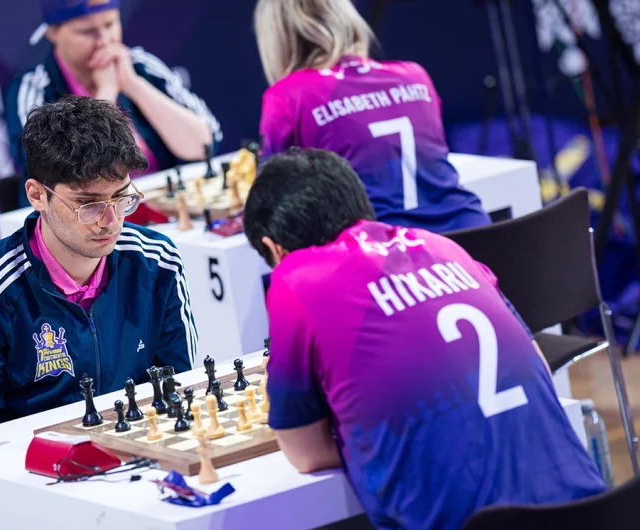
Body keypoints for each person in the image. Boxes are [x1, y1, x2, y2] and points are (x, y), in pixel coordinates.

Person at [243, 147, 606, 530]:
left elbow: (305, 453)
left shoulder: (296, 279)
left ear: (274, 248)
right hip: (594, 511)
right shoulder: (444, 247)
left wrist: (373, 431)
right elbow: (539, 367)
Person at [0, 95, 197, 440]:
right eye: (88, 204)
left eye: (121, 198)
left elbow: (180, 394)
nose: (111, 221)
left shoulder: (157, 262)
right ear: (36, 196)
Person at [252, 0, 491, 234]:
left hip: (383, 249)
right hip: (470, 233)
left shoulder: (288, 96)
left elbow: (268, 201)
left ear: (277, 40)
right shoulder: (414, 75)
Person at [5, 0, 222, 209]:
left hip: (162, 210)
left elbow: (204, 145)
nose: (105, 41)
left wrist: (133, 84)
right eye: (88, 31)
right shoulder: (33, 88)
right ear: (53, 32)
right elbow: (58, 171)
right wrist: (106, 94)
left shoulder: (140, 65)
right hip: (83, 219)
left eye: (110, 25)